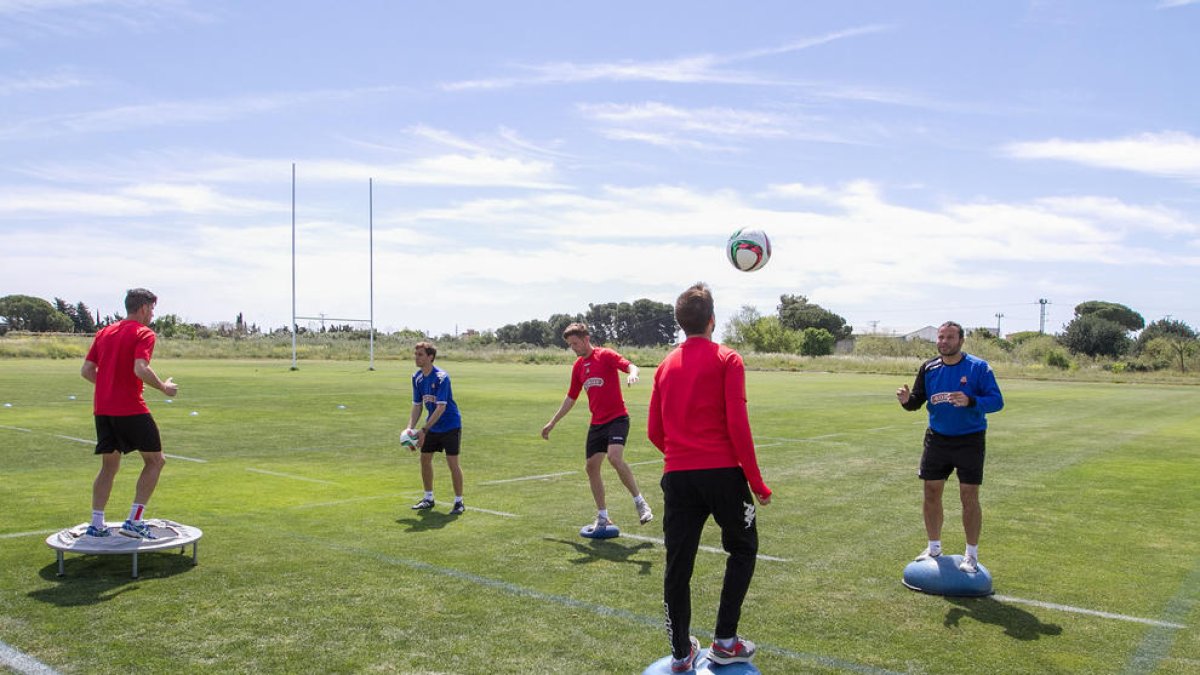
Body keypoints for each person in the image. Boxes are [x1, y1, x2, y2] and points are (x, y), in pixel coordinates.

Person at [647, 283, 772, 671]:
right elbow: (738, 424)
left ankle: (682, 654)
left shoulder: (665, 366)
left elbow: (654, 430)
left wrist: (681, 456)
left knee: (678, 565)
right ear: (713, 320)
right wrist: (756, 482)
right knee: (743, 549)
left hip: (679, 477)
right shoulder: (728, 359)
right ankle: (725, 641)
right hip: (723, 477)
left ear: (680, 324)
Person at [897, 321, 1004, 574]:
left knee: (969, 496)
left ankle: (971, 554)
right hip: (937, 439)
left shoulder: (978, 368)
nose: (944, 341)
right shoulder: (929, 368)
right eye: (941, 337)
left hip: (970, 439)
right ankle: (934, 547)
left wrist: (971, 401)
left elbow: (997, 401)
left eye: (950, 337)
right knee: (931, 493)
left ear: (961, 341)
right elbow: (916, 402)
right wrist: (905, 401)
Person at [80, 288, 178, 539]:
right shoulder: (144, 333)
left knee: (109, 466)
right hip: (130, 408)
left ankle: (96, 523)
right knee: (156, 461)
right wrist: (164, 388)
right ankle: (134, 521)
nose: (152, 314)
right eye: (152, 309)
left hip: (103, 409)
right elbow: (140, 368)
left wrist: (110, 385)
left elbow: (87, 370)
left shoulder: (104, 332)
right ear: (144, 308)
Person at [541, 322, 653, 532]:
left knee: (614, 457)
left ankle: (640, 503)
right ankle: (603, 517)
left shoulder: (606, 355)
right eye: (570, 345)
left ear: (586, 339)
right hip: (597, 423)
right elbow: (570, 398)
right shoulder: (578, 367)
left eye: (575, 343)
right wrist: (552, 422)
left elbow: (630, 365)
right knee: (591, 467)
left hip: (618, 419)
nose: (573, 348)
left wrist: (632, 374)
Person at [405, 341, 465, 515]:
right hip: (432, 426)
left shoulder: (441, 377)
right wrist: (410, 429)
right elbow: (417, 406)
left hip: (450, 425)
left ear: (430, 357)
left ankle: (459, 501)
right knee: (424, 460)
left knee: (452, 463)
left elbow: (441, 407)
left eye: (420, 355)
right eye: (415, 354)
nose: (416, 358)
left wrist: (423, 430)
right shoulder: (416, 378)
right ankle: (428, 498)